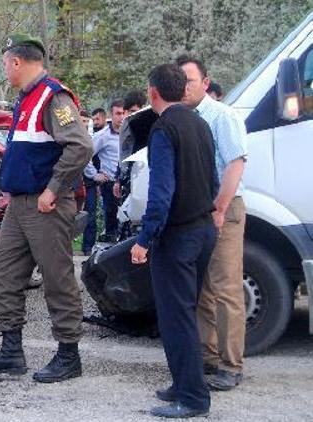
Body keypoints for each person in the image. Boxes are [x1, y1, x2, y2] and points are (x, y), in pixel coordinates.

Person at [0, 34, 92, 383]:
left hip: (46, 205)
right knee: (2, 271)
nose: (5, 69)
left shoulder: (55, 97)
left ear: (17, 62)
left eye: (6, 62)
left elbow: (80, 147)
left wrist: (53, 189)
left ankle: (69, 355)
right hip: (20, 204)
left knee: (57, 278)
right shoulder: (26, 100)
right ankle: (11, 352)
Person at [130, 63, 218, 418]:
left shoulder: (164, 129)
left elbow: (161, 192)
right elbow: (213, 179)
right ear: (183, 89)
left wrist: (145, 238)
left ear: (153, 92)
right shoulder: (200, 124)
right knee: (185, 313)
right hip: (202, 230)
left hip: (179, 237)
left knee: (175, 318)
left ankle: (193, 398)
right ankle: (182, 384)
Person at [178, 54, 248, 391]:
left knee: (226, 289)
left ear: (206, 83)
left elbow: (235, 164)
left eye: (189, 80)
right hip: (195, 213)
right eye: (180, 81)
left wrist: (219, 209)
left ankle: (231, 365)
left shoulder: (222, 116)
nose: (184, 87)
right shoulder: (182, 118)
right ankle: (206, 355)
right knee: (202, 288)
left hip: (223, 209)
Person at [82, 99, 124, 253]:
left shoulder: (132, 132)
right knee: (111, 221)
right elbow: (85, 156)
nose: (121, 117)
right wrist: (94, 175)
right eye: (118, 113)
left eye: (124, 113)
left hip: (129, 183)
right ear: (111, 115)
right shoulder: (103, 136)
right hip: (110, 184)